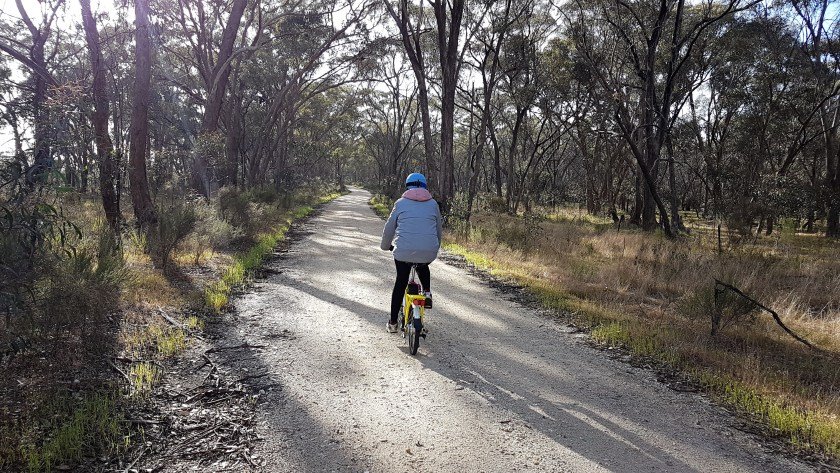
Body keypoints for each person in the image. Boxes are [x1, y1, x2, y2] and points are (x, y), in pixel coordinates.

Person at [380, 173, 443, 333]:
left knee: (401, 281)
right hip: (429, 250)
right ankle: (427, 293)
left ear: (407, 186)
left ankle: (393, 323)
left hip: (403, 251)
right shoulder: (433, 204)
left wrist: (385, 246)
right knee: (422, 265)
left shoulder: (400, 203)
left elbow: (389, 228)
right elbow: (438, 230)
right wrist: (434, 247)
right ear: (425, 186)